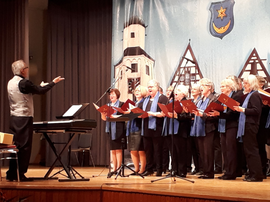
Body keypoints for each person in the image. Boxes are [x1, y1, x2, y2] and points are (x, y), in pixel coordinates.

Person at [6, 60, 64, 181]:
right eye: (26, 67)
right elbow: (40, 91)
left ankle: (12, 173)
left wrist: (41, 86)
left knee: (16, 146)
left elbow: (30, 91)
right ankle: (20, 174)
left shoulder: (11, 82)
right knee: (25, 147)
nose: (28, 69)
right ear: (22, 70)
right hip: (24, 118)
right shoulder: (24, 82)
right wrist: (53, 82)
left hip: (14, 118)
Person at [209, 79, 241, 180]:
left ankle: (232, 172)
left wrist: (220, 114)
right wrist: (215, 113)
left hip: (232, 126)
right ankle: (227, 171)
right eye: (221, 86)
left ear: (229, 87)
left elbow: (234, 113)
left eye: (223, 86)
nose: (221, 88)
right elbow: (220, 110)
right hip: (222, 125)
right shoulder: (222, 98)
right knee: (225, 150)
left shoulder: (236, 96)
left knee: (231, 150)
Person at [234, 74, 264, 182]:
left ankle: (257, 175)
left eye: (246, 83)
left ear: (251, 84)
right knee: (248, 151)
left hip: (251, 125)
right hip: (247, 125)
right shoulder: (249, 95)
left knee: (252, 150)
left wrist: (242, 110)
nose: (244, 85)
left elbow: (256, 111)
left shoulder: (255, 95)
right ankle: (252, 173)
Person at [190, 78, 218, 179]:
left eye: (203, 86)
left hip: (208, 128)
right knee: (202, 151)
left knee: (208, 151)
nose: (201, 88)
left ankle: (210, 172)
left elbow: (213, 114)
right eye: (200, 86)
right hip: (199, 127)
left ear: (209, 87)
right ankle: (205, 171)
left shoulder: (214, 98)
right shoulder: (201, 99)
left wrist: (202, 114)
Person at [139, 79, 168, 176]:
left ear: (157, 88)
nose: (149, 88)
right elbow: (141, 111)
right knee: (148, 150)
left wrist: (151, 114)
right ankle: (149, 169)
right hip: (146, 127)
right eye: (148, 87)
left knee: (158, 150)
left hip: (157, 128)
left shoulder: (162, 98)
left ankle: (159, 169)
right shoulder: (146, 99)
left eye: (151, 87)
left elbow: (163, 114)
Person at [163, 85, 192, 177]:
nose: (176, 93)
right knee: (173, 151)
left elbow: (190, 117)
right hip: (171, 129)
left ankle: (182, 171)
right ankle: (174, 170)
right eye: (175, 91)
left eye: (178, 91)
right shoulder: (172, 102)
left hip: (181, 130)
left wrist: (177, 116)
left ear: (183, 93)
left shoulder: (186, 102)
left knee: (181, 151)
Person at [100, 88, 126, 178]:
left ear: (117, 95)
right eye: (110, 95)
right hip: (110, 129)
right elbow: (104, 119)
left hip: (119, 129)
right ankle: (114, 168)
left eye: (113, 94)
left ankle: (119, 168)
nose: (111, 96)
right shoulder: (107, 105)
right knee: (113, 150)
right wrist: (103, 113)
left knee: (118, 149)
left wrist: (114, 116)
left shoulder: (122, 104)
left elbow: (123, 116)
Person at [126, 85, 147, 175]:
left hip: (139, 127)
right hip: (131, 127)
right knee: (132, 149)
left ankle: (142, 169)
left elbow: (143, 114)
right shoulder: (133, 103)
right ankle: (136, 169)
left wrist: (134, 112)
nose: (137, 92)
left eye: (139, 90)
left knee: (140, 149)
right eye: (136, 90)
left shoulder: (144, 103)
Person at [188, 83, 202, 175]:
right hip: (191, 125)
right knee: (193, 148)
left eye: (195, 89)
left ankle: (201, 168)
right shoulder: (191, 101)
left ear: (199, 91)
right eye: (192, 89)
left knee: (199, 149)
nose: (192, 90)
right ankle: (196, 167)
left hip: (198, 125)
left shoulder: (200, 100)